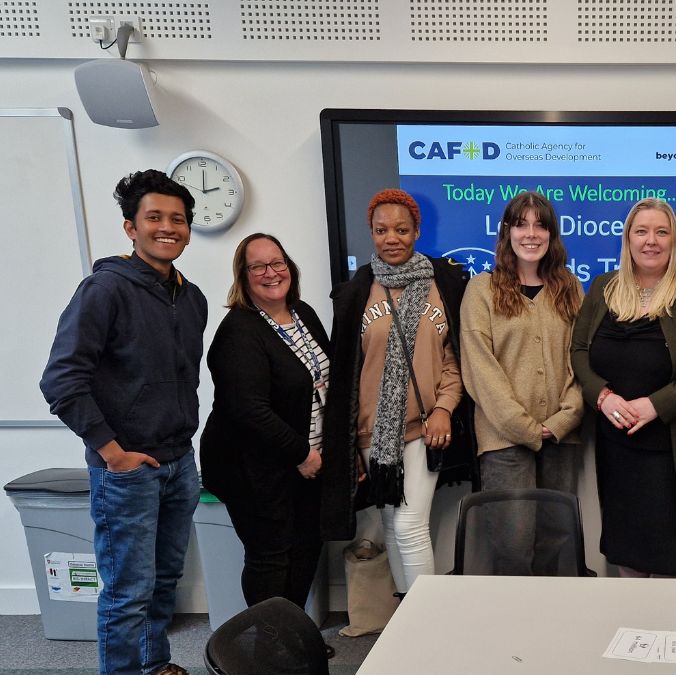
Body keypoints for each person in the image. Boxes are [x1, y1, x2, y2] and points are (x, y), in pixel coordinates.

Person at [40, 169, 206, 675]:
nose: (167, 228)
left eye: (177, 219)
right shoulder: (104, 290)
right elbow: (61, 380)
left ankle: (156, 664)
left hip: (180, 462)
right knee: (127, 591)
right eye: (153, 217)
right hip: (127, 469)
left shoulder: (191, 297)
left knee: (162, 582)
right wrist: (112, 453)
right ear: (130, 227)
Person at [570, 198, 676, 578]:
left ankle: (669, 636)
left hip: (673, 453)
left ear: (673, 239)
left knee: (669, 562)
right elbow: (579, 350)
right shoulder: (603, 287)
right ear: (627, 238)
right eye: (641, 231)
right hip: (618, 450)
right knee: (625, 555)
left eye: (661, 232)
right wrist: (602, 396)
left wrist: (655, 406)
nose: (651, 241)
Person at [320, 188, 471, 599]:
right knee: (390, 524)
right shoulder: (354, 294)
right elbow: (347, 371)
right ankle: (409, 622)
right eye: (381, 230)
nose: (392, 238)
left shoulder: (447, 283)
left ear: (417, 231)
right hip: (372, 432)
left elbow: (457, 361)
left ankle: (429, 620)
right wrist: (347, 439)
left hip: (423, 429)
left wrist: (443, 408)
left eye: (402, 229)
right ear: (370, 232)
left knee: (409, 527)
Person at [200, 234, 330, 615]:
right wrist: (301, 453)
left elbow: (325, 381)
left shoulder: (302, 312)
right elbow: (247, 409)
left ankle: (292, 637)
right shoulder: (239, 331)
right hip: (253, 468)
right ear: (243, 276)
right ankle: (268, 648)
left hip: (308, 462)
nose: (271, 273)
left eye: (277, 263)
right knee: (271, 555)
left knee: (307, 546)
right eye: (258, 266)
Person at [460, 191, 584, 574]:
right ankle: (513, 629)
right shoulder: (482, 289)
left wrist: (564, 419)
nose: (531, 234)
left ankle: (547, 626)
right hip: (505, 439)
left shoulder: (571, 288)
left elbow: (583, 359)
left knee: (554, 540)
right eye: (522, 224)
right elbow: (480, 370)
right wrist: (526, 427)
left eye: (541, 225)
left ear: (552, 235)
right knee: (513, 547)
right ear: (507, 232)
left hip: (561, 437)